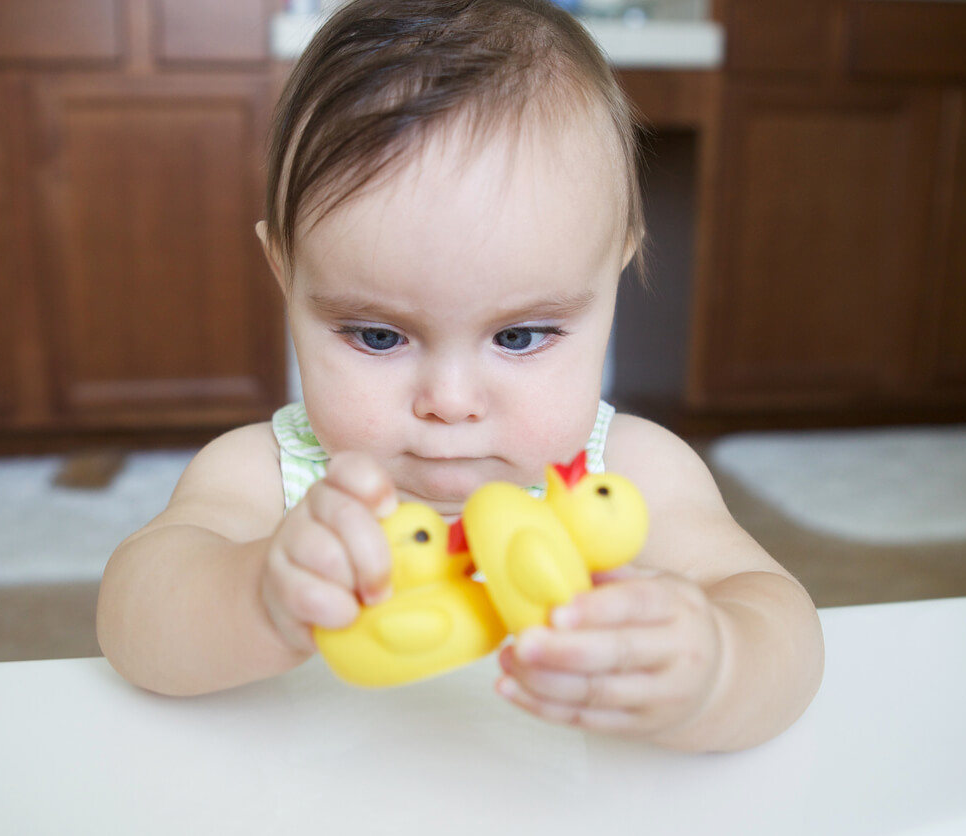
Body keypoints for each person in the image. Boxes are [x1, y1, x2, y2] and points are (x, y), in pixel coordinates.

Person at [97, 0, 823, 752]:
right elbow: (133, 619)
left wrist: (715, 667)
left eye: (518, 336)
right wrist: (255, 596)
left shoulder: (631, 477)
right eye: (378, 336)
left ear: (617, 270)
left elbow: (783, 627)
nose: (449, 404)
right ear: (286, 274)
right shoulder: (270, 476)